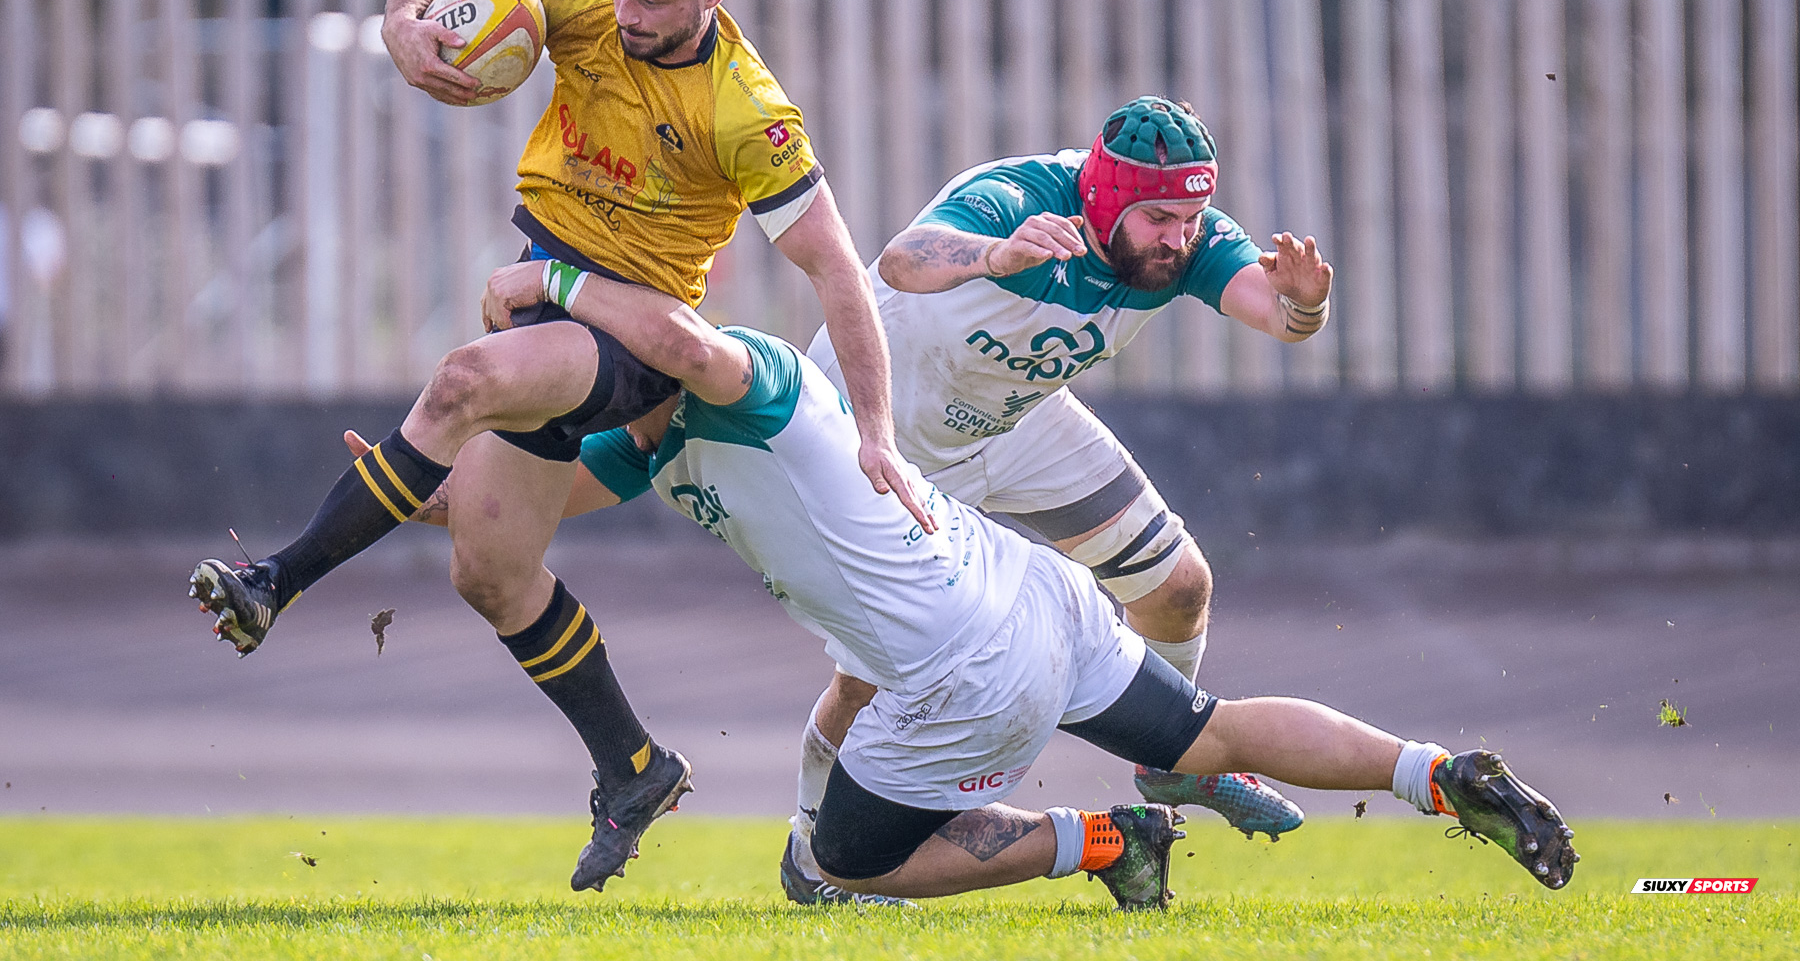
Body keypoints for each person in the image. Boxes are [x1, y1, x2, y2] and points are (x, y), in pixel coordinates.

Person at [188, 0, 928, 892]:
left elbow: (839, 268)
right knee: (491, 573)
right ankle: (635, 767)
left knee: (462, 382)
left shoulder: (748, 111)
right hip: (543, 303)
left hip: (633, 335)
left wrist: (877, 432)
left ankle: (273, 582)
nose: (626, 13)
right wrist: (403, 23)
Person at [447, 256, 1580, 905]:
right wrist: (420, 479)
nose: (570, 398)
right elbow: (526, 509)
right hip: (1033, 595)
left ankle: (1106, 841)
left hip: (963, 669)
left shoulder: (746, 376)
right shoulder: (638, 445)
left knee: (838, 865)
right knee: (1210, 731)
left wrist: (556, 276)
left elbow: (687, 349)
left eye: (574, 378)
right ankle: (1437, 773)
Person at [783, 95, 1331, 890]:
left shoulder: (1188, 240)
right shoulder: (1019, 194)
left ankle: (1169, 760)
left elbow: (1279, 317)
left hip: (1013, 422)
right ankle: (809, 853)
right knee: (867, 680)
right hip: (884, 440)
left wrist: (1307, 305)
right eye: (1158, 219)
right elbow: (902, 260)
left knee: (1179, 586)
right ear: (1103, 198)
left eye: (1190, 218)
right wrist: (997, 256)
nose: (1177, 239)